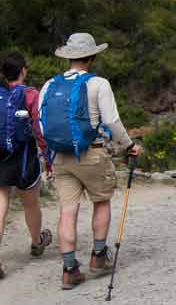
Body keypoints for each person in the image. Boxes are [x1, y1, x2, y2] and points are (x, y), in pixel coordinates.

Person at [38, 33, 142, 290]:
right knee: (101, 201)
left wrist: (48, 154)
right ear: (92, 56)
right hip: (92, 154)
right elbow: (111, 121)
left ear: (69, 57)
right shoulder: (99, 84)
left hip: (61, 156)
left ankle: (69, 269)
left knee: (67, 211)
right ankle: (98, 257)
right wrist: (129, 145)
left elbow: (40, 124)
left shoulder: (50, 85)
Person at [0, 52, 52, 282]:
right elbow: (38, 127)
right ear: (23, 70)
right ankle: (37, 243)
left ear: (3, 74)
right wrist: (47, 156)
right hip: (23, 157)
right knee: (30, 203)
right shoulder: (30, 94)